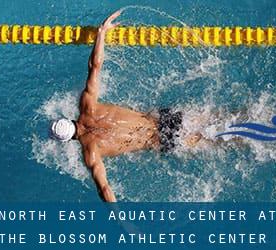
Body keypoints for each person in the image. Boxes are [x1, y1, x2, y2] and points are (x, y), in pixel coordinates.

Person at [50, 11, 202, 202]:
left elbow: (104, 189)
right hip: (164, 118)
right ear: (68, 119)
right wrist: (101, 33)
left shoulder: (91, 152)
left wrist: (123, 223)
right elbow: (95, 66)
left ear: (68, 140)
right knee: (218, 118)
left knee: (220, 140)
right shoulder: (87, 105)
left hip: (163, 140)